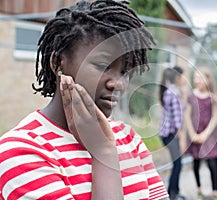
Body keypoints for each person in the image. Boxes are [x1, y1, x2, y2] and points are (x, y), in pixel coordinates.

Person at [0, 1, 169, 199]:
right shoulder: (21, 153)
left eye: (124, 72)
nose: (118, 83)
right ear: (57, 63)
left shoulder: (129, 139)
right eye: (102, 65)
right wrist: (104, 153)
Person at [185, 68, 217, 200]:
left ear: (208, 80)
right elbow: (187, 116)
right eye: (195, 78)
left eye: (200, 78)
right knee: (196, 161)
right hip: (195, 135)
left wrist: (205, 135)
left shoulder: (213, 98)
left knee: (213, 162)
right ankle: (199, 188)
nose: (197, 81)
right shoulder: (191, 96)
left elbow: (215, 117)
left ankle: (215, 190)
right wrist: (192, 134)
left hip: (210, 136)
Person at [159, 66, 186, 200]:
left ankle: (175, 192)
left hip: (167, 134)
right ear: (177, 77)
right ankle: (172, 194)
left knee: (178, 163)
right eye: (183, 77)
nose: (184, 79)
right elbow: (177, 120)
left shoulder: (170, 91)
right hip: (171, 135)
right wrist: (181, 138)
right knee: (178, 164)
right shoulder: (173, 92)